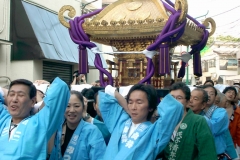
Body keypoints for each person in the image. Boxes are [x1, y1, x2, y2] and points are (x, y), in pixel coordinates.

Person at [98, 83, 184, 159]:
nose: (133, 107)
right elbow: (106, 95)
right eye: (130, 102)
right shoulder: (120, 121)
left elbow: (176, 108)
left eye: (139, 102)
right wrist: (118, 96)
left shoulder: (155, 131)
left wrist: (155, 111)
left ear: (150, 107)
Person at [0, 77, 70, 159]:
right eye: (11, 94)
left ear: (33, 101)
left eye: (20, 95)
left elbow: (60, 88)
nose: (14, 99)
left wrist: (46, 84)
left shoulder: (39, 123)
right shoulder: (3, 119)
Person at [159, 83, 217, 160]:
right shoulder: (163, 121)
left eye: (179, 98)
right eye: (172, 98)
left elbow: (207, 154)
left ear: (187, 102)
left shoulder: (198, 121)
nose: (174, 101)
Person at [49, 90, 106, 159]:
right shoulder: (57, 130)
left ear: (83, 108)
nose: (72, 110)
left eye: (76, 106)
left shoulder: (92, 131)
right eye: (67, 106)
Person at [202, 85, 230, 159]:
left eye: (212, 94)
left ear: (215, 97)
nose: (209, 95)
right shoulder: (198, 112)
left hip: (216, 154)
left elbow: (212, 129)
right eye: (206, 92)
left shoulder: (221, 112)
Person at [223, 86, 240, 156]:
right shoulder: (216, 108)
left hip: (233, 143)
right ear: (223, 93)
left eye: (233, 93)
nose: (231, 94)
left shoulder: (237, 110)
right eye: (229, 92)